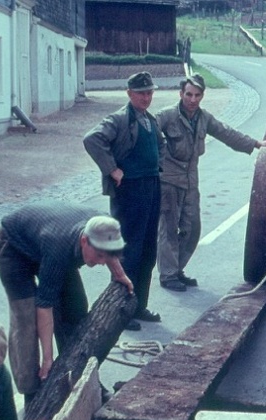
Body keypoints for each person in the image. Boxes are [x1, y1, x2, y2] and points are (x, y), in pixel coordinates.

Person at [0, 202, 133, 404]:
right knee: (26, 319)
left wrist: (120, 275)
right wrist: (48, 358)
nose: (103, 261)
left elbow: (108, 250)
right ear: (84, 241)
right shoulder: (58, 249)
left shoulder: (105, 226)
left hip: (49, 242)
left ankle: (81, 378)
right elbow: (44, 305)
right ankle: (31, 392)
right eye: (99, 256)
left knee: (75, 310)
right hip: (13, 247)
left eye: (106, 256)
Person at [155, 74, 266, 291]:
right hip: (169, 182)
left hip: (191, 181)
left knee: (192, 228)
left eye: (197, 95)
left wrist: (257, 144)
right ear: (181, 93)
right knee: (169, 228)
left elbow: (226, 133)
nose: (193, 99)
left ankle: (177, 269)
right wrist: (159, 158)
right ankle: (168, 274)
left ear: (202, 95)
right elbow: (148, 136)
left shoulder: (203, 118)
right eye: (189, 94)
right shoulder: (166, 116)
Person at [84, 71, 166, 326]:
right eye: (142, 93)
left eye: (150, 92)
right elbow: (92, 139)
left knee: (148, 251)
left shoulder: (150, 120)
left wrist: (157, 164)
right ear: (129, 94)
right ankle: (119, 312)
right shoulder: (119, 119)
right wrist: (112, 169)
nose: (147, 97)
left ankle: (138, 305)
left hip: (151, 187)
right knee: (126, 251)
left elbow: (160, 146)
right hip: (129, 191)